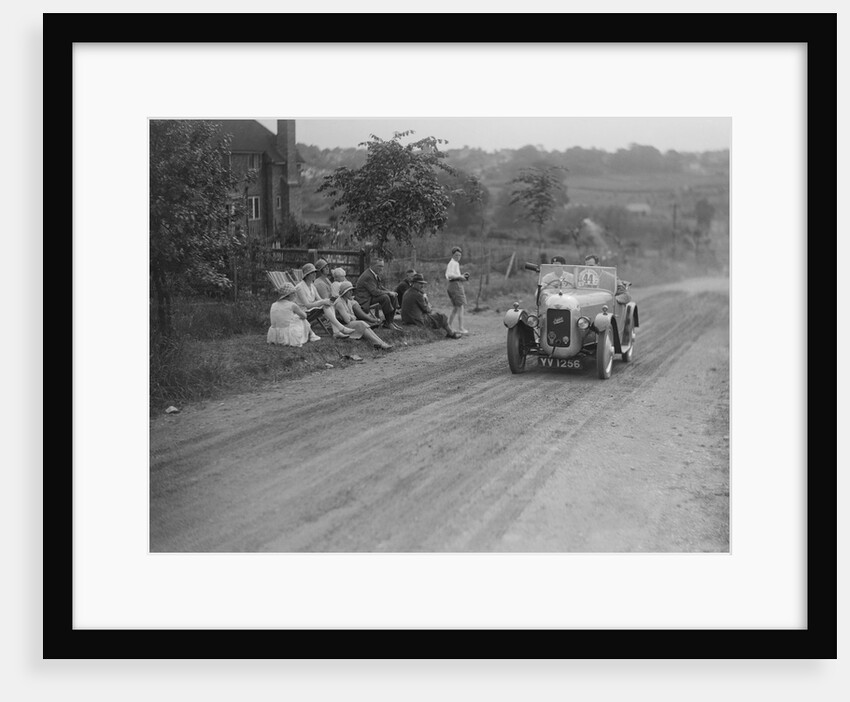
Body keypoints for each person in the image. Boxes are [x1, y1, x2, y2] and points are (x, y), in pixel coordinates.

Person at [294, 262, 356, 339]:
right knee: (324, 305)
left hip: (311, 309)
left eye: (315, 272)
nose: (314, 274)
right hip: (303, 311)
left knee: (328, 305)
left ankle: (337, 332)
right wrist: (323, 302)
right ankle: (340, 329)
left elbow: (320, 299)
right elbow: (307, 305)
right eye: (312, 273)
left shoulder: (312, 286)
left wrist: (328, 301)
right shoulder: (300, 287)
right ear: (306, 275)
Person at [333, 281, 394, 350]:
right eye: (349, 291)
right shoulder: (339, 303)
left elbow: (353, 316)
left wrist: (350, 316)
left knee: (363, 325)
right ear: (344, 292)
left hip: (348, 323)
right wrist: (350, 317)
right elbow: (346, 320)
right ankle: (379, 343)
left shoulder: (348, 301)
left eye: (351, 290)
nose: (351, 292)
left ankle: (381, 343)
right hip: (342, 327)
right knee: (361, 323)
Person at [402, 273, 463, 339]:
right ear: (414, 283)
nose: (422, 286)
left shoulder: (407, 292)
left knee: (436, 314)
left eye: (423, 284)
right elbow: (427, 310)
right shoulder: (418, 295)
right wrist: (427, 301)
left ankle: (451, 331)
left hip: (406, 319)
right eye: (420, 283)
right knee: (442, 316)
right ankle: (451, 333)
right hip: (416, 320)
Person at [354, 258, 402, 331]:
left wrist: (391, 292)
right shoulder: (368, 276)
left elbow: (380, 287)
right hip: (364, 299)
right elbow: (375, 292)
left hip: (370, 296)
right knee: (385, 297)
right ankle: (388, 323)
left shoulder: (374, 274)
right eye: (379, 266)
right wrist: (388, 293)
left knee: (393, 296)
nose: (381, 268)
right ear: (372, 266)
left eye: (382, 266)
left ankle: (390, 322)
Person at [267, 282, 320, 347]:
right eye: (294, 294)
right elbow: (304, 316)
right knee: (302, 319)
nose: (295, 295)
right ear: (289, 295)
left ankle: (312, 335)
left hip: (276, 333)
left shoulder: (274, 304)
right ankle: (312, 335)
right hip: (289, 334)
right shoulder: (292, 305)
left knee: (294, 317)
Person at [445, 246, 469, 335]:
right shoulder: (452, 263)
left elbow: (454, 275)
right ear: (453, 255)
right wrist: (460, 277)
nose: (458, 257)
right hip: (454, 285)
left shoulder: (455, 263)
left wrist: (462, 276)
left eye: (459, 255)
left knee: (456, 308)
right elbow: (449, 275)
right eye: (456, 255)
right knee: (460, 307)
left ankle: (449, 325)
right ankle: (461, 328)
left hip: (456, 284)